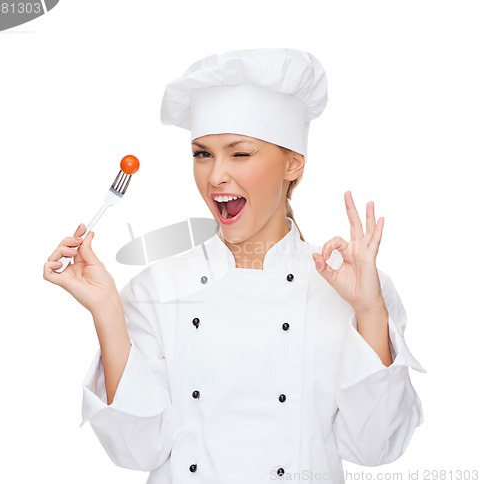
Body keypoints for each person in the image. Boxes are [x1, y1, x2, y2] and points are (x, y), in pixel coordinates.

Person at [43, 48, 425, 484]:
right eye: (202, 154)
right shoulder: (157, 288)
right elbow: (137, 449)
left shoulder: (355, 289)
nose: (216, 176)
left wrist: (371, 312)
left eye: (239, 154)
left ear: (293, 162)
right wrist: (107, 310)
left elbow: (375, 448)